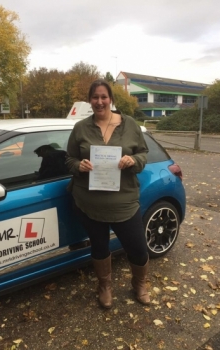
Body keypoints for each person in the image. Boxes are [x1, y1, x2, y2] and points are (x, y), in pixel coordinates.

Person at [66, 79, 150, 309]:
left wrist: (134, 160)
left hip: (124, 202)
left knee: (138, 248)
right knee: (100, 247)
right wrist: (78, 166)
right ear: (89, 100)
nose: (100, 102)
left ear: (111, 99)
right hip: (90, 202)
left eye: (104, 97)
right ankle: (104, 287)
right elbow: (69, 158)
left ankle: (139, 284)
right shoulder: (80, 128)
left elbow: (144, 153)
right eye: (95, 97)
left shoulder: (130, 124)